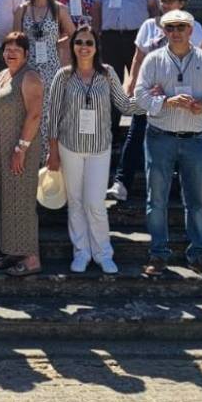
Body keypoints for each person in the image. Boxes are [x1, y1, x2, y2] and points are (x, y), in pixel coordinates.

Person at [133, 9, 202, 278]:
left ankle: (198, 253)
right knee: (156, 199)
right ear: (163, 31)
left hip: (194, 138)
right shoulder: (153, 60)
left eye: (181, 27)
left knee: (196, 200)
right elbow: (140, 95)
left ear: (190, 30)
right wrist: (164, 102)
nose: (175, 32)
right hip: (160, 135)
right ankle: (158, 253)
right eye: (170, 28)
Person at [45, 26, 143, 275]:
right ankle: (82, 252)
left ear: (96, 46)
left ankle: (103, 252)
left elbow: (123, 104)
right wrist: (53, 151)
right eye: (79, 42)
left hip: (100, 147)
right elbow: (53, 116)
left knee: (95, 203)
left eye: (89, 42)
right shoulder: (63, 76)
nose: (84, 47)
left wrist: (150, 101)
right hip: (70, 147)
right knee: (76, 202)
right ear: (73, 46)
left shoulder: (108, 74)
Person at [117, 0, 202, 202]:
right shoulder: (149, 25)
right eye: (163, 0)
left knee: (179, 138)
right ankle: (122, 182)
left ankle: (182, 188)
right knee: (136, 133)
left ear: (181, 3)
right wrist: (131, 83)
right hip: (150, 91)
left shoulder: (194, 27)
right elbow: (138, 58)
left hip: (181, 93)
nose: (166, 4)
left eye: (170, 0)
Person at [90, 0, 159, 202]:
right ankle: (109, 145)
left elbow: (153, 6)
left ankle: (140, 139)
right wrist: (95, 37)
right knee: (110, 95)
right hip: (109, 38)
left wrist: (156, 37)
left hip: (138, 39)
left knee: (140, 90)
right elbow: (95, 6)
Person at [0, 32, 45, 276]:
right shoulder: (2, 74)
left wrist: (21, 149)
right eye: (7, 49)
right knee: (7, 199)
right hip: (1, 147)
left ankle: (31, 257)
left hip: (21, 149)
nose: (10, 53)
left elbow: (35, 115)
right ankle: (13, 249)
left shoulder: (29, 77)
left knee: (23, 202)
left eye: (16, 49)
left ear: (26, 53)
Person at [13, 0, 76, 97]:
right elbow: (15, 42)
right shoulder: (22, 10)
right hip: (28, 68)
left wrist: (57, 43)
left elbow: (74, 36)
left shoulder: (60, 9)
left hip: (52, 67)